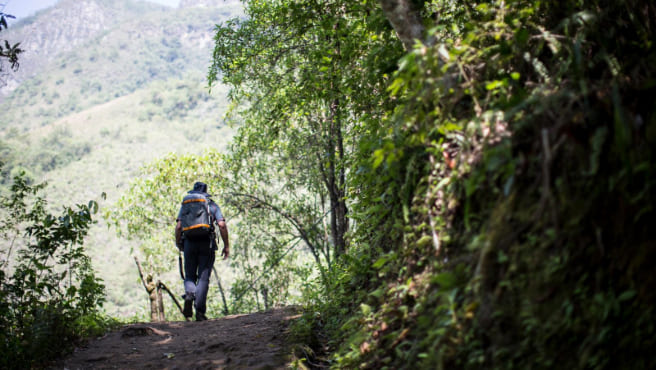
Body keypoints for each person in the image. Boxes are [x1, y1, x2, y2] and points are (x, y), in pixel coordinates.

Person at [174, 181, 230, 321]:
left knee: (189, 276)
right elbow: (222, 225)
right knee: (203, 278)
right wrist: (226, 245)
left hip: (189, 242)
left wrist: (178, 243)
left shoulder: (186, 205)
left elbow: (179, 226)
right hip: (207, 243)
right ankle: (199, 312)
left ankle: (189, 294)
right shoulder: (211, 205)